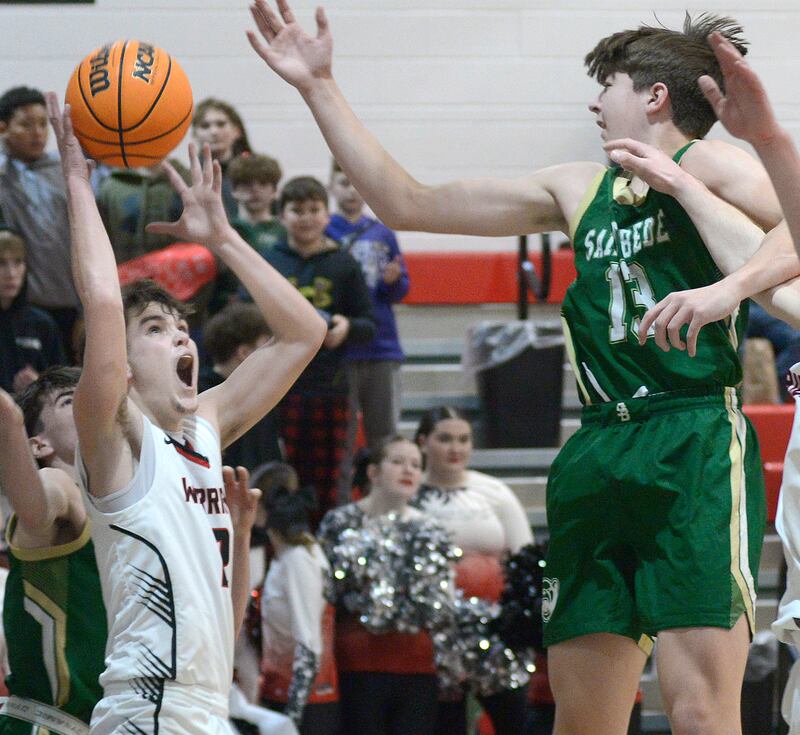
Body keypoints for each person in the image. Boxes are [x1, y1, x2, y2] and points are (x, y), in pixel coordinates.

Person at [245, 5, 800, 734]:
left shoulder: (714, 165)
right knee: (582, 717)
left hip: (691, 432)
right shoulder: (576, 188)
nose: (594, 103)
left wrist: (728, 288)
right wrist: (319, 87)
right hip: (599, 443)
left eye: (608, 85)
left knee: (698, 710)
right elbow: (406, 201)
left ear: (654, 96)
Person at [46, 90, 326, 735]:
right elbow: (102, 304)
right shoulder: (116, 438)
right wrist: (76, 183)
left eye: (181, 326)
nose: (179, 336)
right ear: (116, 357)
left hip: (207, 708)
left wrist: (222, 236)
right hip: (149, 711)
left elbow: (302, 333)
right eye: (155, 327)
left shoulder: (204, 427)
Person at [248, 175, 375, 521]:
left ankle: (321, 555)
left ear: (326, 214)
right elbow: (246, 311)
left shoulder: (343, 262)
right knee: (277, 474)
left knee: (330, 478)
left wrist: (347, 327)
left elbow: (368, 323)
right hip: (275, 387)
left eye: (314, 209)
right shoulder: (268, 259)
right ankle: (280, 550)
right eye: (297, 209)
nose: (306, 217)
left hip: (329, 388)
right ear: (282, 214)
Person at [317, 436, 456, 735]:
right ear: (373, 472)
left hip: (418, 667)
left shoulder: (431, 529)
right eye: (397, 462)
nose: (408, 470)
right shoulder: (340, 522)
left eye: (416, 465)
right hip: (357, 665)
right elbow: (327, 595)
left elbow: (442, 605)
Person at [412, 406, 534, 735]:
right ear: (423, 442)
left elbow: (525, 557)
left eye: (464, 440)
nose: (456, 448)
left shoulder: (494, 492)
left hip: (496, 633)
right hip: (434, 637)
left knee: (515, 721)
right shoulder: (409, 494)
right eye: (445, 439)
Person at [0, 367, 105, 734]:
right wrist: (10, 421)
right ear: (40, 445)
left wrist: (240, 531)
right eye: (69, 399)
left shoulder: (135, 516)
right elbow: (37, 507)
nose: (91, 401)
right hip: (46, 726)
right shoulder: (58, 484)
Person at [326, 161, 409, 491]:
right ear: (331, 186)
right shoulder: (324, 231)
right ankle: (343, 506)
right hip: (341, 349)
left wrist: (394, 280)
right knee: (341, 441)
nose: (351, 190)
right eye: (343, 182)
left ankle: (383, 500)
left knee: (383, 436)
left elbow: (400, 289)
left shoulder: (383, 231)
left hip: (381, 346)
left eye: (357, 182)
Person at [255, 462, 339, 735]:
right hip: (282, 694)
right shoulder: (285, 556)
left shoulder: (298, 559)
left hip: (305, 706)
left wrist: (291, 719)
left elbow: (309, 645)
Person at [0, 86, 79, 352]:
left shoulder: (63, 171)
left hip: (69, 299)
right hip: (21, 303)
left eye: (43, 124)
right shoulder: (3, 175)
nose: (37, 133)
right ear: (3, 128)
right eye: (26, 124)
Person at [201, 302, 283, 470]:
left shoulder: (263, 395)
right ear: (244, 353)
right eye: (266, 346)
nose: (274, 357)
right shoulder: (200, 397)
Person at [212, 153, 288, 314]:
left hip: (278, 307)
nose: (255, 190)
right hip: (231, 309)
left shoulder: (285, 230)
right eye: (247, 184)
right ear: (233, 190)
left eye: (263, 184)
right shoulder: (222, 230)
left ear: (275, 191)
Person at [0, 229, 66, 393]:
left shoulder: (42, 323)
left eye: (18, 262)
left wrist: (40, 385)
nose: (11, 273)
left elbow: (64, 387)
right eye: (1, 263)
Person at [193, 98, 254, 220]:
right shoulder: (188, 177)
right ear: (195, 134)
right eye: (205, 126)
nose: (214, 132)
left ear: (237, 131)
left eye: (221, 124)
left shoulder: (255, 174)